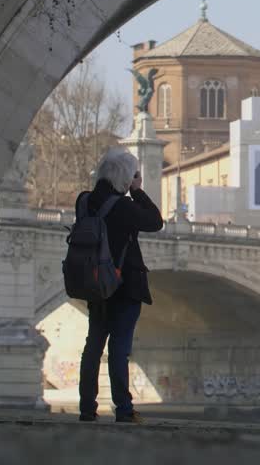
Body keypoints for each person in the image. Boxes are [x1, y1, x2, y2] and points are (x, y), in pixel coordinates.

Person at [76, 148, 164, 423]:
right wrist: (137, 191)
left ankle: (87, 408)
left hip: (95, 283)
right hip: (125, 285)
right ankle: (123, 409)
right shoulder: (124, 205)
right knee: (119, 348)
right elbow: (154, 222)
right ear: (126, 178)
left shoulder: (84, 201)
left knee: (93, 345)